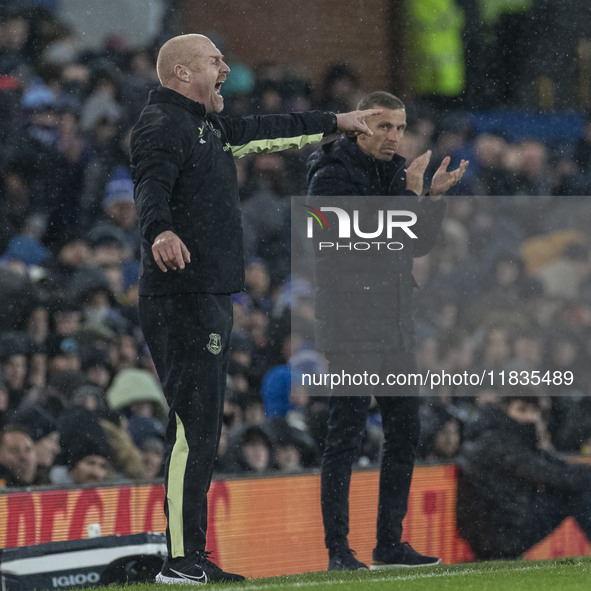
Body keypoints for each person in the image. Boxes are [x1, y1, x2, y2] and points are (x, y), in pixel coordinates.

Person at [129, 33, 383, 585]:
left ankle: (189, 555)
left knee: (200, 429)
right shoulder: (161, 125)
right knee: (192, 429)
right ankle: (179, 561)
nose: (226, 68)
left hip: (207, 295)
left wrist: (336, 121)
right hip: (181, 295)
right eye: (214, 61)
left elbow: (270, 132)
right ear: (180, 73)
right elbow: (150, 184)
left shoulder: (210, 127)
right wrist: (160, 230)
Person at [306, 90, 468, 570]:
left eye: (399, 128)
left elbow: (414, 245)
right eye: (384, 127)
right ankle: (339, 551)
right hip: (353, 323)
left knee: (404, 430)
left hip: (395, 322)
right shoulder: (330, 174)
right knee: (347, 435)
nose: (394, 137)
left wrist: (431, 200)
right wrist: (408, 195)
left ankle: (388, 543)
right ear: (359, 126)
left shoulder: (397, 173)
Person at [456, 391, 591, 560]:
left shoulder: (504, 436)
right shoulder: (497, 442)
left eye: (534, 411)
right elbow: (550, 474)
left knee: (576, 488)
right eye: (522, 409)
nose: (530, 416)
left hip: (504, 525)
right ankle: (497, 556)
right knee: (576, 494)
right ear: (504, 409)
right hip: (498, 533)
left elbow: (556, 466)